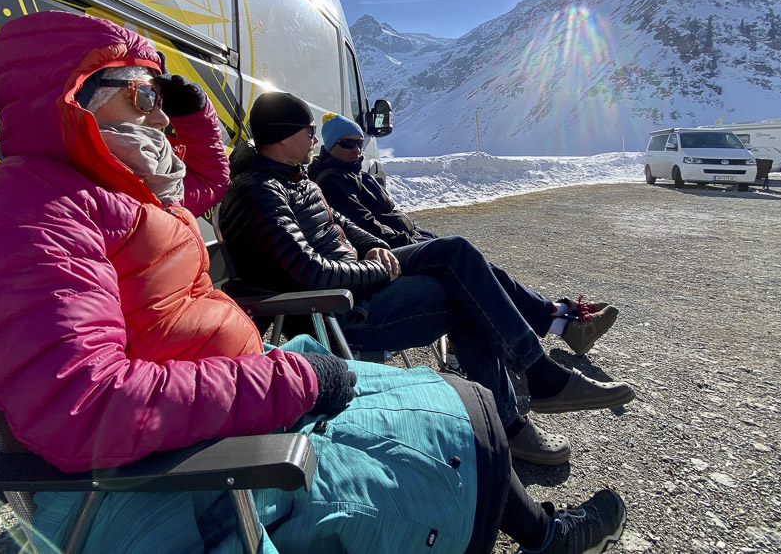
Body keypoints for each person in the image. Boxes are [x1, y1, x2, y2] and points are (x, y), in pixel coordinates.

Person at [0, 11, 626, 554]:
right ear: (72, 96)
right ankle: (542, 519)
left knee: (459, 387)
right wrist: (295, 381)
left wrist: (192, 115)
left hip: (221, 390)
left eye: (160, 97)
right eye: (142, 94)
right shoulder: (29, 212)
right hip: (171, 459)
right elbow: (85, 406)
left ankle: (535, 462)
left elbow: (201, 187)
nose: (160, 115)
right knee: (450, 402)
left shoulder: (110, 190)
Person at [218, 91, 636, 469]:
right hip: (335, 309)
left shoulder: (295, 178)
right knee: (464, 299)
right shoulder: (258, 191)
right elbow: (309, 274)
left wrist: (369, 247)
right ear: (282, 135)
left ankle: (535, 380)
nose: (315, 138)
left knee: (455, 251)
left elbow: (340, 223)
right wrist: (377, 269)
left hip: (360, 279)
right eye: (308, 131)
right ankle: (521, 407)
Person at [307, 112, 618, 357]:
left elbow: (390, 217)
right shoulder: (333, 180)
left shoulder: (357, 175)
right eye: (346, 144)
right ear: (330, 146)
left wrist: (417, 235)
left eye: (359, 141)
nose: (356, 148)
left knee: (478, 266)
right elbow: (367, 229)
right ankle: (557, 320)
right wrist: (415, 242)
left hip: (406, 240)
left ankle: (560, 320)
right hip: (390, 254)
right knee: (464, 261)